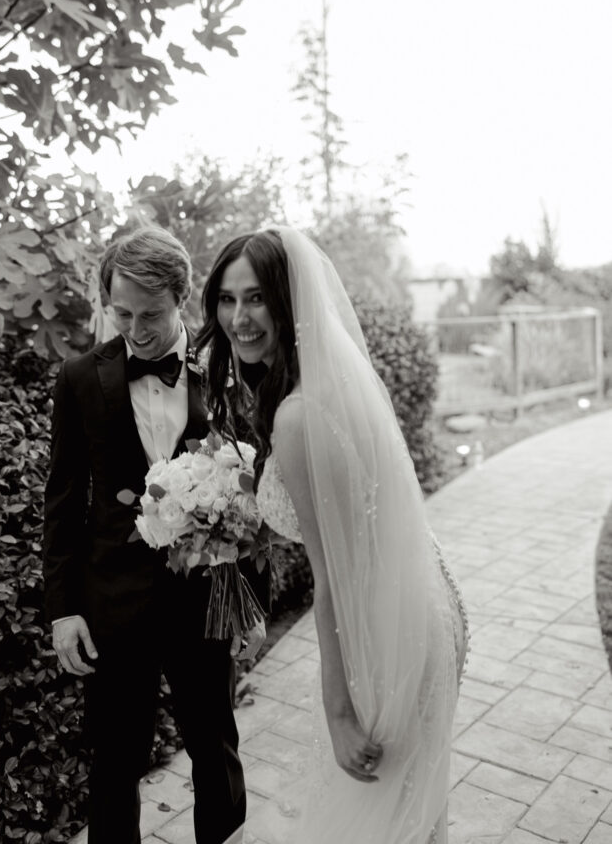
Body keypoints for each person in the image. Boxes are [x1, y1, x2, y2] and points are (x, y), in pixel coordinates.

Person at [196, 227, 468, 844]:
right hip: (423, 599)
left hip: (383, 630)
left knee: (375, 818)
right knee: (407, 816)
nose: (239, 318)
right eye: (227, 299)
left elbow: (333, 576)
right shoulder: (328, 388)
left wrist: (338, 711)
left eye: (258, 298)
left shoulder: (297, 415)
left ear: (291, 303)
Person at [43, 225, 266, 844]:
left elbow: (255, 497)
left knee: (214, 748)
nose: (135, 331)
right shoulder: (81, 379)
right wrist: (63, 612)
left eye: (151, 315)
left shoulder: (228, 371)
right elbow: (61, 504)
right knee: (114, 763)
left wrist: (248, 603)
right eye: (122, 314)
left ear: (182, 298)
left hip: (205, 602)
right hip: (113, 605)